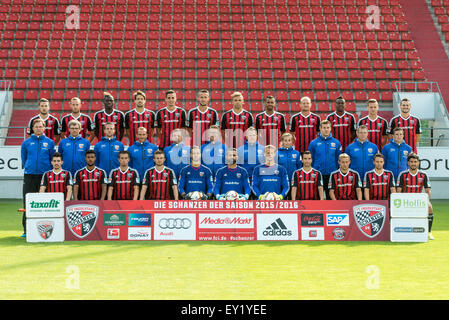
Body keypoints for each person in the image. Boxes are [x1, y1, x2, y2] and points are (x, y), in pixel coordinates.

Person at [20, 118, 55, 237]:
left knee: (45, 202)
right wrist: (29, 167)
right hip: (29, 176)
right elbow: (24, 159)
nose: (38, 129)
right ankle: (26, 230)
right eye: (36, 127)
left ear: (44, 128)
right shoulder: (26, 143)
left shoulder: (50, 142)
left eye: (40, 127)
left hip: (44, 176)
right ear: (32, 129)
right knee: (28, 201)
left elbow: (52, 159)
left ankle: (46, 228)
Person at [396, 153, 434, 240]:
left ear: (418, 163)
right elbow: (399, 191)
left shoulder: (423, 175)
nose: (413, 164)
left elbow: (428, 190)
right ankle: (400, 231)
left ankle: (429, 232)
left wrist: (427, 201)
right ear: (408, 163)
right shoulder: (403, 174)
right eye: (411, 162)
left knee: (430, 207)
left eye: (415, 162)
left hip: (418, 201)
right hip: (406, 200)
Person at [308, 120, 342, 199]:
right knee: (317, 197)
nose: (326, 129)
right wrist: (315, 169)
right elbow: (310, 159)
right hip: (317, 174)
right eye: (324, 128)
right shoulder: (313, 143)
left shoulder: (336, 143)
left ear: (330, 128)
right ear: (320, 129)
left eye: (328, 127)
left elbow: (338, 159)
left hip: (332, 174)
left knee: (331, 196)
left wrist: (334, 169)